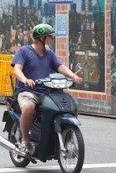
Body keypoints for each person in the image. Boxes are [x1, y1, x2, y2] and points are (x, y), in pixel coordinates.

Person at [12, 23, 82, 153]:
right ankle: (25, 140)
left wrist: (73, 76)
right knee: (28, 108)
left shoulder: (49, 54)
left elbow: (60, 67)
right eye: (50, 36)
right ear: (41, 38)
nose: (52, 39)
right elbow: (17, 69)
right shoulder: (24, 51)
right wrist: (25, 80)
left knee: (61, 106)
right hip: (28, 91)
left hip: (46, 92)